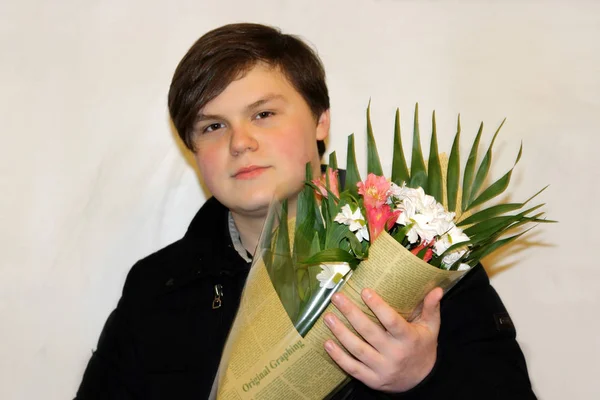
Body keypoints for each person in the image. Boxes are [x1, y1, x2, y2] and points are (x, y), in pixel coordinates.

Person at [76, 23, 536, 399]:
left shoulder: (419, 253)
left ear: (321, 121)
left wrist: (423, 377)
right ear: (193, 149)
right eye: (213, 126)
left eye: (263, 115)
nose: (240, 142)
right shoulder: (156, 286)